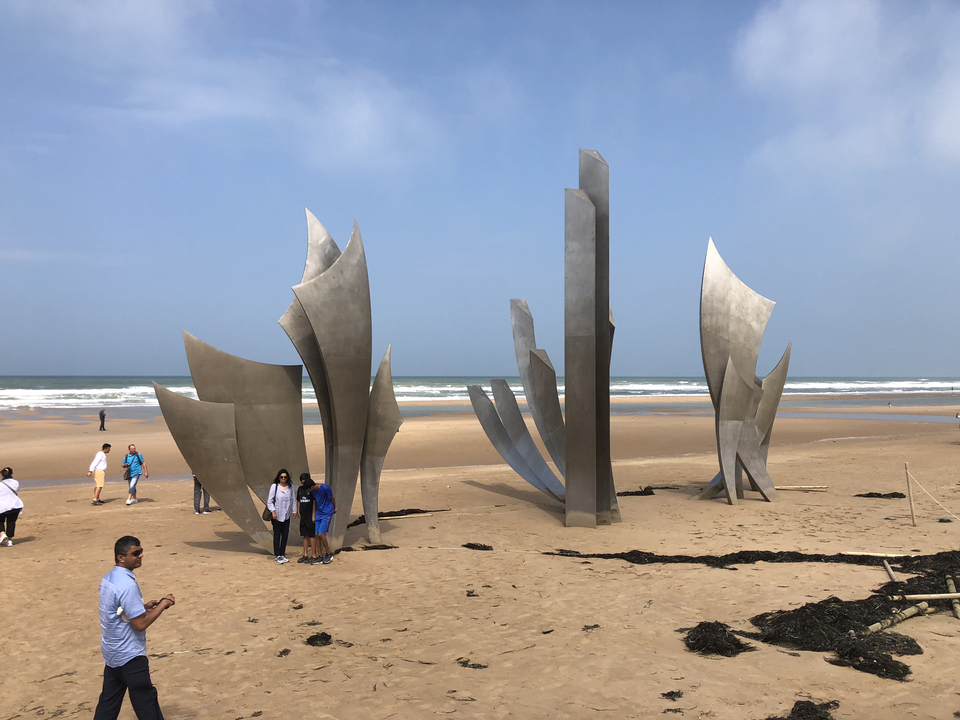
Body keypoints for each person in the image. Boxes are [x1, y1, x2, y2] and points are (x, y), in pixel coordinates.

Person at [93, 535, 175, 720]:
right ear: (121, 557)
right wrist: (164, 604)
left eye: (141, 552)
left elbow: (116, 611)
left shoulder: (108, 579)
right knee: (146, 703)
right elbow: (140, 624)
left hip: (112, 652)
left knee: (108, 703)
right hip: (130, 654)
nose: (140, 556)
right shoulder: (128, 585)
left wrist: (141, 608)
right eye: (135, 553)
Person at [267, 469, 295, 564]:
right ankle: (277, 555)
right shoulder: (274, 487)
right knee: (277, 535)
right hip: (277, 515)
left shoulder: (290, 487)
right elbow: (269, 501)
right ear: (279, 478)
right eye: (281, 477)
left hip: (286, 515)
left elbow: (293, 500)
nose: (283, 479)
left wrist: (294, 511)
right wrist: (273, 512)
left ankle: (282, 553)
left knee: (285, 535)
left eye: (285, 477)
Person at [311, 478, 336, 564]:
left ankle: (328, 553)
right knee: (317, 534)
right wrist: (314, 514)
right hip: (319, 513)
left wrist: (334, 507)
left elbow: (332, 498)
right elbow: (315, 502)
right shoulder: (312, 492)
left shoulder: (325, 488)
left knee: (321, 534)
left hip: (327, 512)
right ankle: (320, 555)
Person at [294, 474, 317, 563]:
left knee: (312, 535)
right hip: (303, 516)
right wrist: (298, 511)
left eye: (304, 482)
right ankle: (305, 555)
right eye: (302, 482)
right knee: (304, 535)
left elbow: (314, 502)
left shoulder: (311, 489)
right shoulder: (300, 489)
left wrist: (313, 514)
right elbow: (299, 500)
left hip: (310, 515)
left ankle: (314, 555)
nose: (303, 484)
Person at [0, 467, 23, 547]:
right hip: (15, 505)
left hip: (3, 507)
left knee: (0, 521)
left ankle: (2, 534)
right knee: (11, 522)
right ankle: (9, 541)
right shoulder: (15, 482)